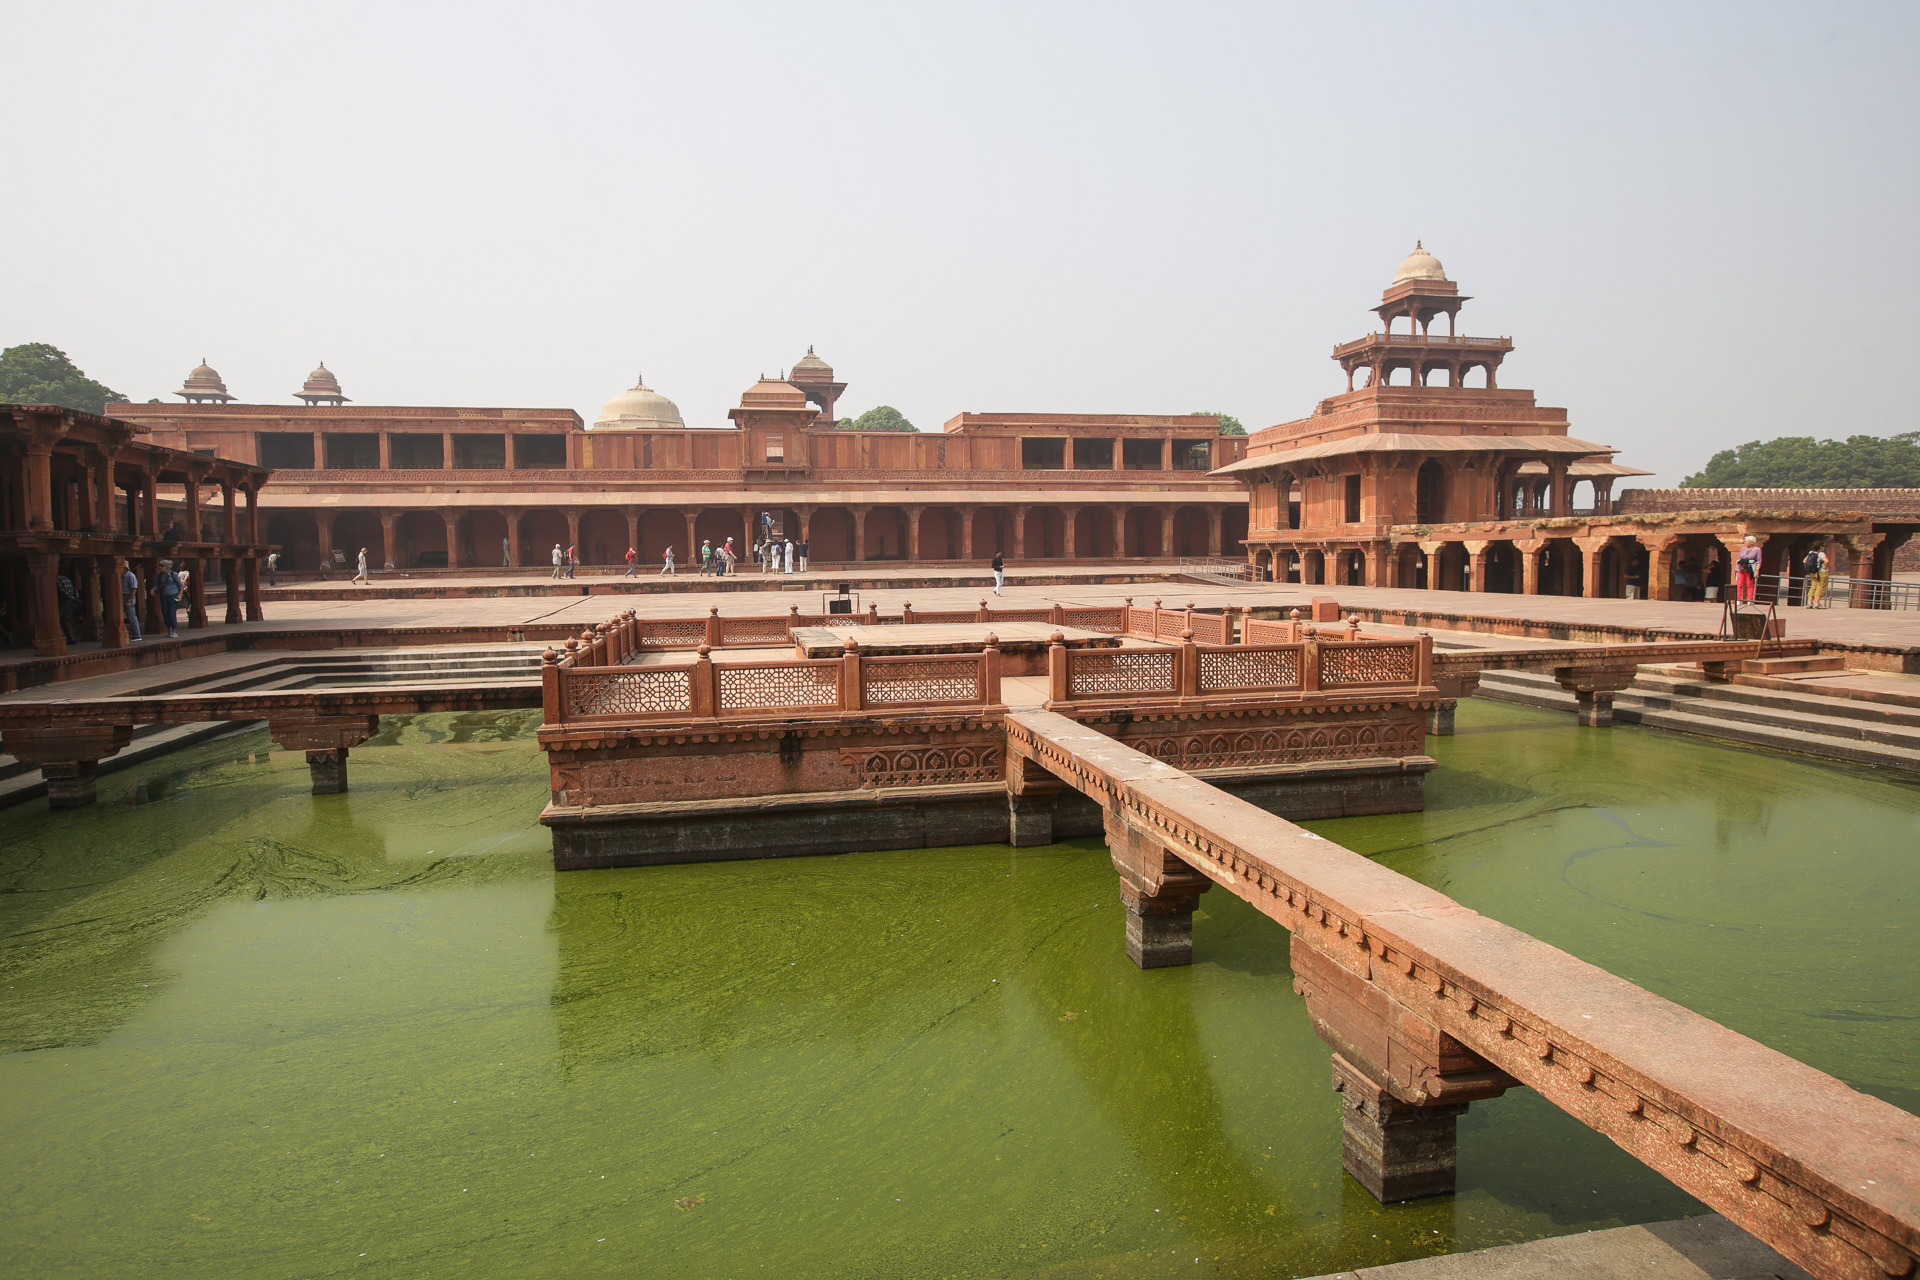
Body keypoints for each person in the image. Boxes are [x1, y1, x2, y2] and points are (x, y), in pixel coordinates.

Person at [156, 560, 182, 638]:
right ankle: (169, 629)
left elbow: (180, 585)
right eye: (160, 566)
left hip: (173, 595)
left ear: (166, 567)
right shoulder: (159, 575)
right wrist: (154, 589)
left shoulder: (173, 574)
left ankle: (174, 630)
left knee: (172, 612)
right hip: (164, 595)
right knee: (165, 613)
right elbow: (157, 585)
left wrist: (180, 594)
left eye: (162, 566)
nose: (160, 568)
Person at [55, 568, 80, 645]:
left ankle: (63, 638)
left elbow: (61, 591)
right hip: (72, 601)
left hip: (64, 600)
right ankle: (71, 638)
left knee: (55, 620)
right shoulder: (65, 579)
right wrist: (75, 598)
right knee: (65, 619)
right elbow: (74, 590)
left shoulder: (56, 579)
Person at [1735, 535, 1762, 603]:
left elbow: (1759, 561)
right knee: (1739, 584)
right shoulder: (1742, 549)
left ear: (1751, 542)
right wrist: (1739, 565)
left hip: (1750, 568)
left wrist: (1757, 570)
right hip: (1741, 567)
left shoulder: (1757, 550)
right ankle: (1738, 598)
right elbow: (1739, 558)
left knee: (1749, 584)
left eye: (1746, 541)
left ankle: (1749, 600)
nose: (1745, 542)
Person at [121, 560, 143, 641]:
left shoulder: (130, 576)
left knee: (131, 616)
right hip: (122, 596)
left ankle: (137, 634)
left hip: (128, 596)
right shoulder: (121, 576)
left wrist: (130, 600)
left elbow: (134, 589)